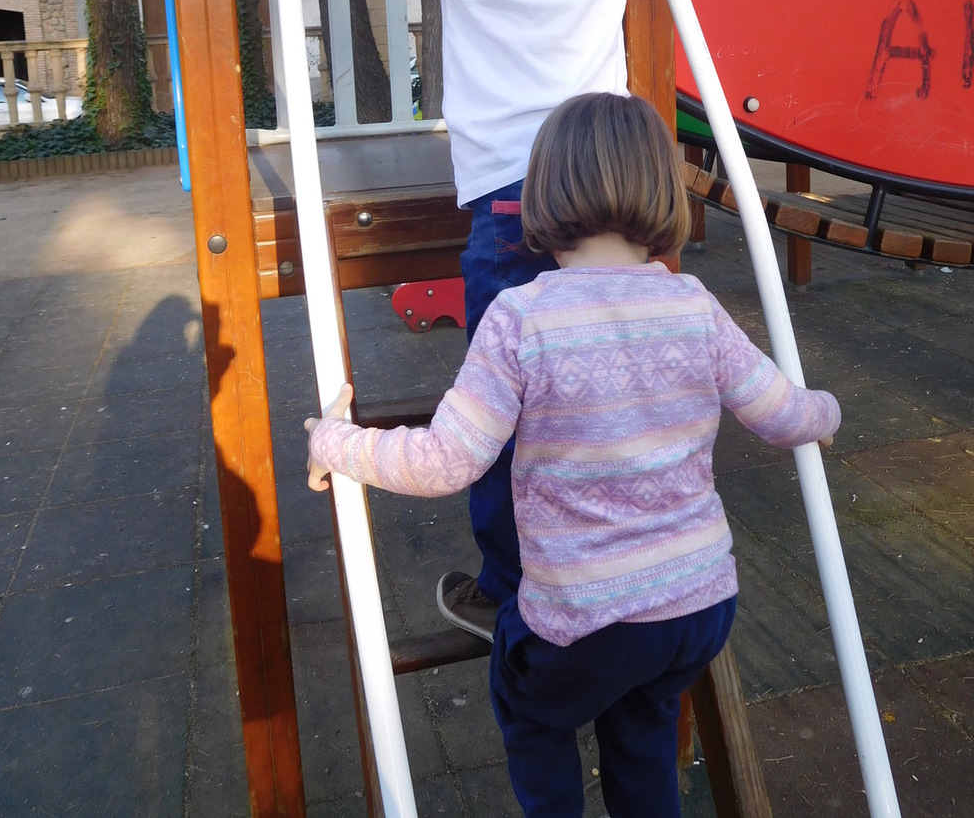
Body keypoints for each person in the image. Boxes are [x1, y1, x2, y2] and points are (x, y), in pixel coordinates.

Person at [305, 91, 841, 818]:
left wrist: (338, 442)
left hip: (586, 618)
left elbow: (445, 461)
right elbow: (780, 412)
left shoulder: (521, 318)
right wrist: (827, 413)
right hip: (698, 605)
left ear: (543, 195)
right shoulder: (694, 305)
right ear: (661, 189)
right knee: (644, 733)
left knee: (530, 708)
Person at [254, 0, 689, 639]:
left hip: (513, 205)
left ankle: (509, 590)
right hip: (611, 193)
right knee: (605, 391)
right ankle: (622, 553)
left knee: (502, 404)